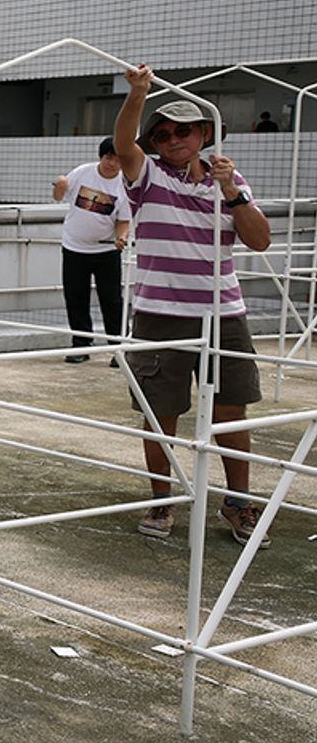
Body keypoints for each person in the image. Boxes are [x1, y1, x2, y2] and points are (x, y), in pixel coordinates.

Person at [113, 65, 274, 544]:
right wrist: (137, 94)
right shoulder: (148, 177)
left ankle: (239, 503)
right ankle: (162, 501)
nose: (172, 139)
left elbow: (260, 240)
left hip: (223, 314)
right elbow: (124, 145)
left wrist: (233, 192)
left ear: (205, 133)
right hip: (160, 315)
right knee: (159, 412)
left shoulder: (229, 178)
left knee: (231, 410)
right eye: (162, 134)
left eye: (183, 130)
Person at [52, 139, 131, 364]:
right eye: (109, 157)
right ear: (101, 157)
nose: (112, 163)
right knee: (76, 297)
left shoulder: (123, 185)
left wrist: (122, 237)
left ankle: (119, 348)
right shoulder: (83, 172)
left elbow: (123, 220)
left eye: (117, 159)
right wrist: (59, 183)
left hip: (106, 251)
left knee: (112, 300)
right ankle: (81, 345)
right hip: (74, 247)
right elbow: (59, 196)